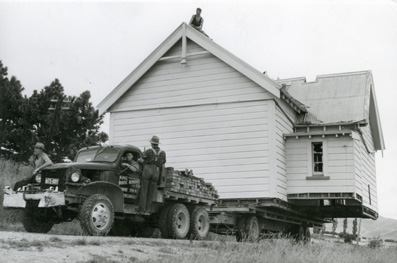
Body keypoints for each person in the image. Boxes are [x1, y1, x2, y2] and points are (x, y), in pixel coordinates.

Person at [137, 136, 166, 213]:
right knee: (151, 192)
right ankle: (147, 209)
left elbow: (142, 158)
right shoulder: (163, 153)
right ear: (157, 144)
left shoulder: (149, 151)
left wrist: (141, 161)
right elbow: (163, 162)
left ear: (152, 143)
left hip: (148, 169)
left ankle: (141, 209)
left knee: (144, 190)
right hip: (156, 171)